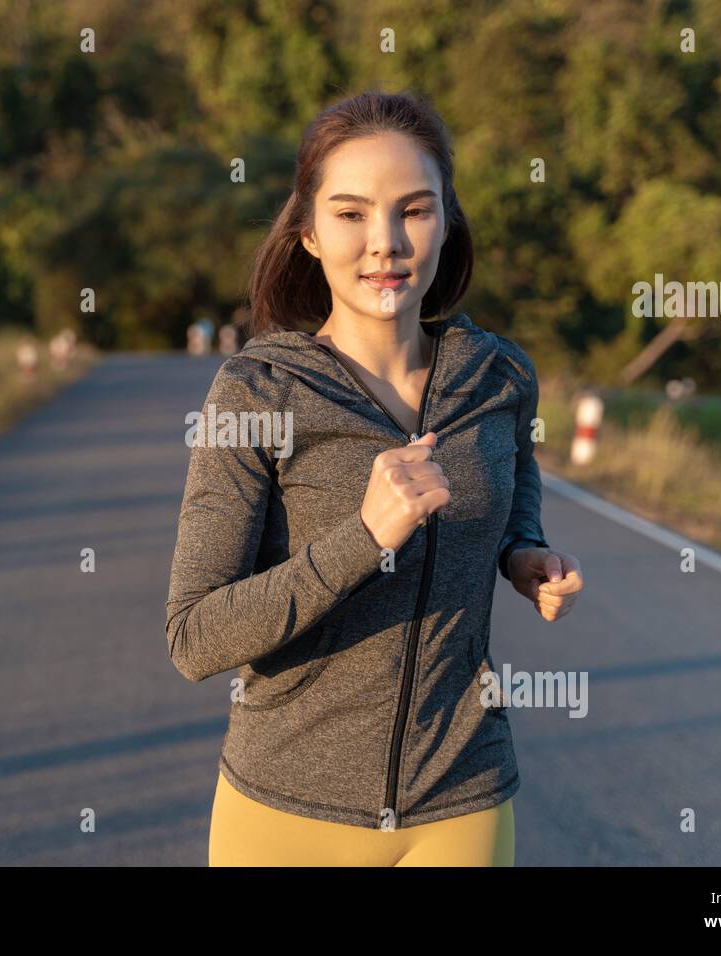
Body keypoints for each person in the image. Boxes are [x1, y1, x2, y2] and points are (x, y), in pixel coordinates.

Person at [164, 90, 584, 866]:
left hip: (461, 797)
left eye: (414, 211)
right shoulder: (258, 393)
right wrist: (364, 539)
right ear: (309, 232)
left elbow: (518, 494)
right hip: (284, 814)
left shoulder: (499, 378)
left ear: (446, 223)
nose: (385, 243)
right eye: (352, 214)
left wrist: (526, 555)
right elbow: (194, 636)